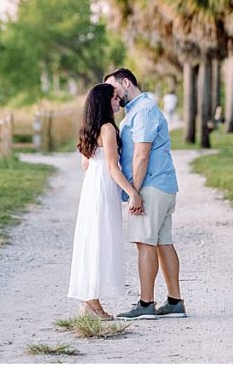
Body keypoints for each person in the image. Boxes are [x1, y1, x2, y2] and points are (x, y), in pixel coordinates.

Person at [104, 68, 186, 320]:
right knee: (162, 241)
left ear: (125, 83)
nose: (113, 95)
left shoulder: (144, 111)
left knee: (144, 243)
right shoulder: (138, 111)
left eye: (114, 89)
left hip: (150, 186)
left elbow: (142, 154)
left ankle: (146, 303)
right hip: (161, 185)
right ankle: (174, 302)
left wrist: (135, 193)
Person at [67, 83, 141, 319]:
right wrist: (132, 192)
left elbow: (86, 164)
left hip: (91, 185)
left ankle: (91, 299)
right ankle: (92, 301)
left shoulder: (88, 128)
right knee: (100, 239)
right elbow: (112, 167)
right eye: (115, 98)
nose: (119, 101)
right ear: (104, 102)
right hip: (102, 187)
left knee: (93, 239)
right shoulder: (108, 128)